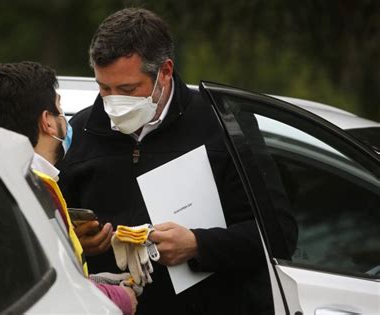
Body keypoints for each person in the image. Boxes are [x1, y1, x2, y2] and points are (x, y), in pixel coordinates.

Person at [58, 8, 296, 314]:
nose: (114, 102)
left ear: (165, 72)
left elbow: (280, 234)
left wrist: (198, 245)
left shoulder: (224, 126)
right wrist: (78, 245)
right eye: (104, 88)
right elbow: (50, 233)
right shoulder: (81, 131)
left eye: (128, 90)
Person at [0, 61, 137, 315]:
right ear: (47, 122)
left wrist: (89, 281)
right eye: (59, 108)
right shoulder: (34, 189)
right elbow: (48, 294)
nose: (65, 119)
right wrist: (115, 298)